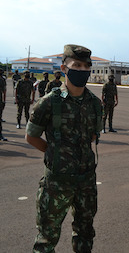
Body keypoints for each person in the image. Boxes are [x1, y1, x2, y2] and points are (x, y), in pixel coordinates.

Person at [26, 44, 102, 253]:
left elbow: (93, 136)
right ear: (64, 68)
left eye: (87, 66)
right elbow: (31, 136)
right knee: (47, 238)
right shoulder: (49, 102)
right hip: (57, 182)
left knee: (85, 233)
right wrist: (55, 153)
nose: (82, 70)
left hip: (85, 182)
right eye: (76, 65)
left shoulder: (95, 104)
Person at [0, 68, 7, 141]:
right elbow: (4, 92)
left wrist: (3, 101)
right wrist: (4, 101)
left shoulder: (2, 80)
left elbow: (4, 91)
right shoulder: (2, 80)